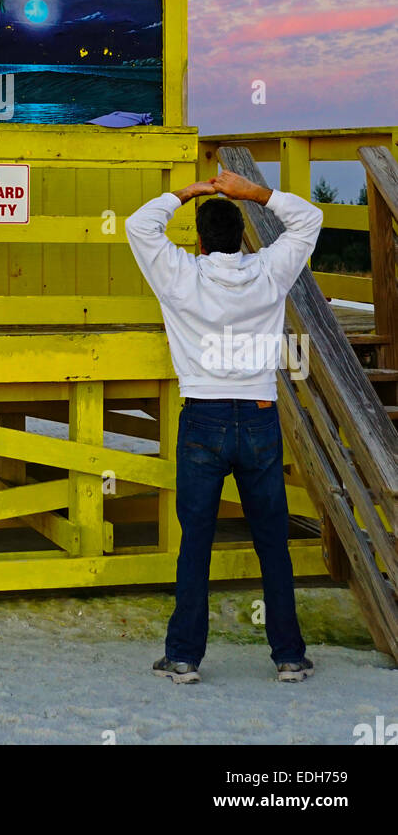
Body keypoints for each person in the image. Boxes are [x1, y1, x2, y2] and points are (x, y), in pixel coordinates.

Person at [124, 168, 323, 685]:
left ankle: (185, 657)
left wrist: (184, 192)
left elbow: (139, 226)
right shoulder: (270, 271)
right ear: (242, 235)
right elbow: (309, 219)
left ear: (198, 239)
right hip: (258, 415)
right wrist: (254, 192)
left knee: (196, 541)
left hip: (203, 417)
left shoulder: (182, 275)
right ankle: (288, 656)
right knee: (271, 541)